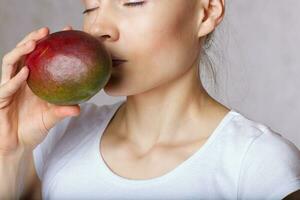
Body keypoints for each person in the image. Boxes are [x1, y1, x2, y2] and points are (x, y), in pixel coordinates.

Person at [1, 0, 299, 199]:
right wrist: (10, 151)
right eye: (90, 8)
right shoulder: (54, 138)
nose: (98, 29)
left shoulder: (258, 165)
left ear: (206, 13)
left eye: (132, 1)